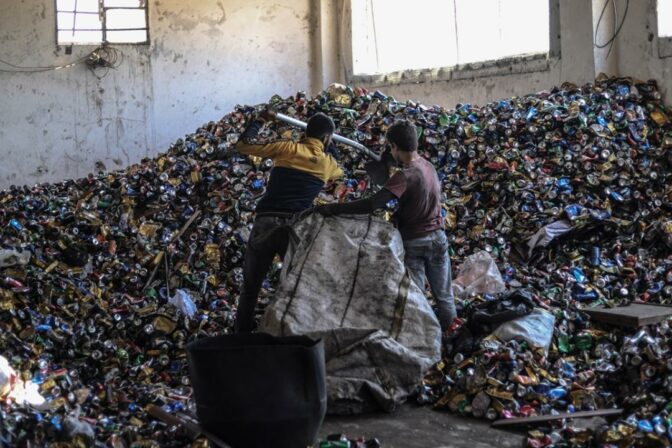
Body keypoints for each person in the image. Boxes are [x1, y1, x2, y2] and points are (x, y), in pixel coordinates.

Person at [316, 119, 457, 332]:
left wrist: (332, 209)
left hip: (415, 242)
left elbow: (373, 203)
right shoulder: (427, 166)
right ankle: (452, 338)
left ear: (393, 147)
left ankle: (424, 338)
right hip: (438, 239)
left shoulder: (405, 176)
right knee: (445, 296)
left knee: (417, 298)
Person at [234, 108, 343, 332]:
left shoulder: (287, 147)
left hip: (266, 223)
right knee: (294, 285)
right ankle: (288, 331)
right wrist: (328, 142)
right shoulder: (327, 164)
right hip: (296, 229)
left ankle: (241, 333)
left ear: (306, 133)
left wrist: (261, 119)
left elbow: (244, 144)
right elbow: (338, 168)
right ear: (326, 138)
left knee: (251, 286)